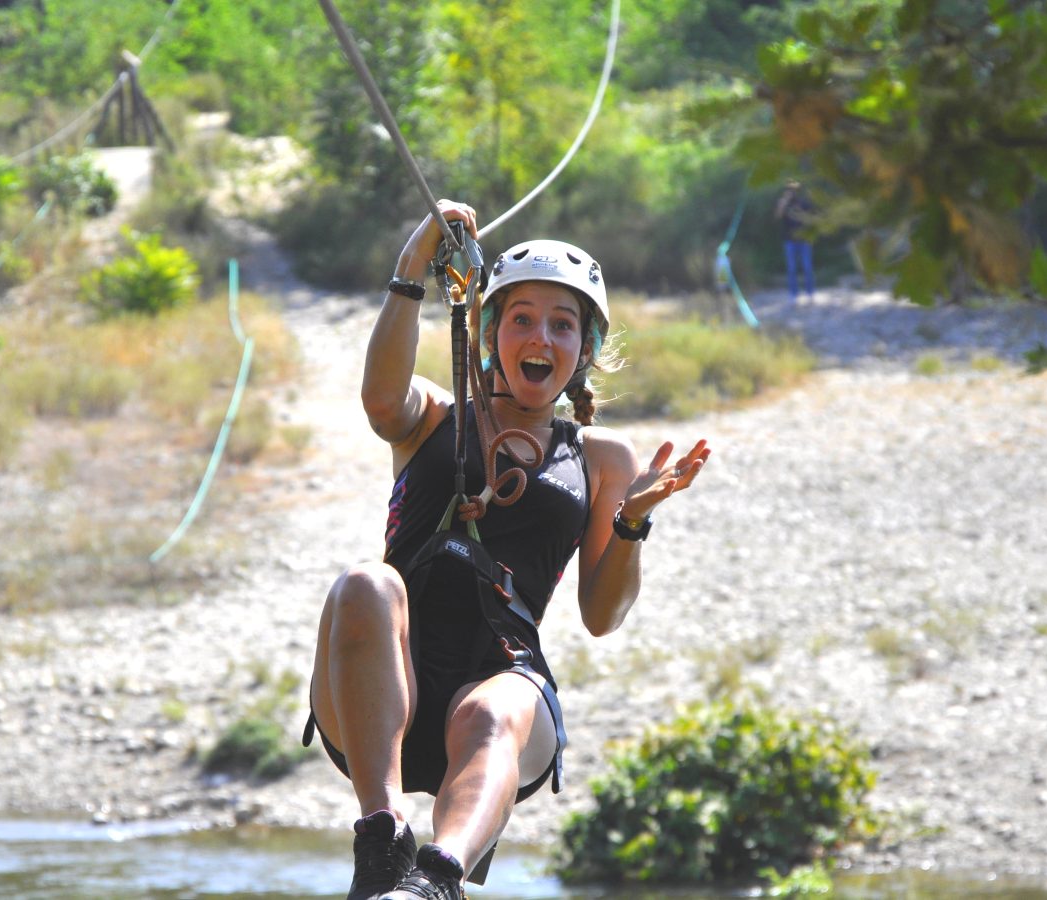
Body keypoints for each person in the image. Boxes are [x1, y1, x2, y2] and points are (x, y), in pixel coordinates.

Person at [305, 199, 711, 899]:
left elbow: (601, 615)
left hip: (500, 689)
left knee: (495, 709)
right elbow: (380, 401)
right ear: (490, 334)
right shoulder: (432, 414)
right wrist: (412, 269)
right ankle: (382, 837)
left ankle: (436, 879)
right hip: (382, 685)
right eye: (521, 318)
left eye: (563, 325)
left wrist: (631, 523)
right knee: (365, 584)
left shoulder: (601, 456)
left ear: (583, 351)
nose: (541, 337)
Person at [774, 178, 815, 302]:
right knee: (791, 268)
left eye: (793, 189)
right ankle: (794, 295)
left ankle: (810, 293)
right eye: (789, 189)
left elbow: (811, 217)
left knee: (807, 267)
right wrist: (783, 203)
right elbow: (777, 217)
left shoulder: (803, 203)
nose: (791, 192)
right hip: (789, 241)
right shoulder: (783, 203)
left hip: (804, 240)